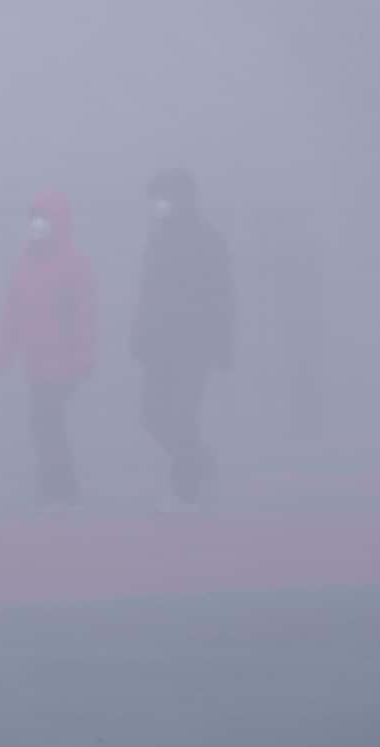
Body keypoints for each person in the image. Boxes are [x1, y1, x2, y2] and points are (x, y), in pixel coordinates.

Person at [131, 168, 234, 511]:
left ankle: (184, 493)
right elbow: (148, 291)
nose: (157, 205)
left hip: (194, 343)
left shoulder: (208, 240)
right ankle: (201, 463)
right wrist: (138, 332)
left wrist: (223, 344)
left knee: (184, 416)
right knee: (151, 414)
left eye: (163, 197)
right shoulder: (157, 238)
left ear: (181, 198)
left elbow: (224, 295)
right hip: (159, 342)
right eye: (155, 198)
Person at [0, 191, 96, 509]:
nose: (38, 225)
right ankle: (56, 490)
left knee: (46, 422)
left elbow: (86, 314)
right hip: (36, 360)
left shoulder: (74, 264)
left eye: (44, 218)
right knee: (44, 423)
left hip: (63, 360)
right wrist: (4, 350)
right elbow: (13, 310)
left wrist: (84, 355)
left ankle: (61, 491)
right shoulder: (27, 262)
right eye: (35, 218)